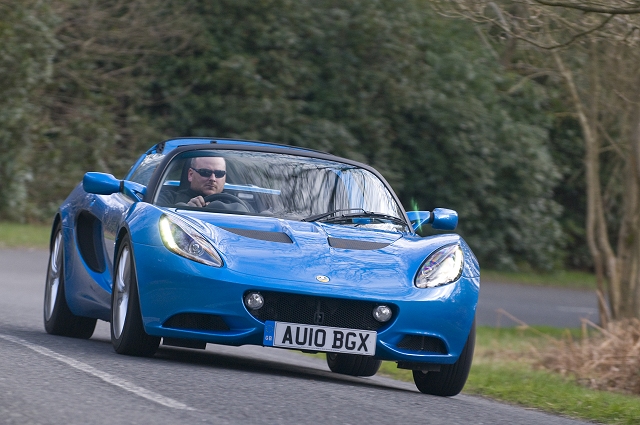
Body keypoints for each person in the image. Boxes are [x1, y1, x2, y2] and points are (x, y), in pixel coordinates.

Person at [158, 156, 227, 207]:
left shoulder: (235, 205)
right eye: (205, 172)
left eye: (219, 174)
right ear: (191, 174)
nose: (213, 178)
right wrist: (185, 210)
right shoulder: (168, 199)